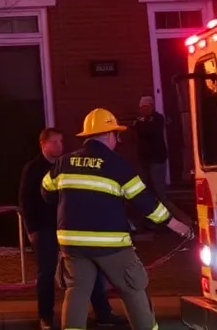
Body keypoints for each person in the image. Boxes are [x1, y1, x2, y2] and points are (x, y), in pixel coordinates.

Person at [42, 109, 193, 330]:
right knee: (133, 288)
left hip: (72, 244)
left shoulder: (64, 162)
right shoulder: (117, 166)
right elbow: (145, 203)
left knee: (76, 292)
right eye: (116, 135)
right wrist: (177, 226)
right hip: (111, 245)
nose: (117, 140)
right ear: (110, 135)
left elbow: (46, 191)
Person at [19, 127, 124, 330]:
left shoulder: (66, 164)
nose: (60, 145)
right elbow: (26, 201)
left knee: (89, 268)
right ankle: (46, 316)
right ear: (43, 144)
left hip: (70, 227)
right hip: (45, 228)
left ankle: (102, 311)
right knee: (46, 272)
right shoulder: (33, 168)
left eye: (61, 141)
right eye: (55, 142)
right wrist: (31, 229)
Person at [133, 96, 169, 204]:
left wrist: (142, 124)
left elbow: (151, 131)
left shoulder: (158, 118)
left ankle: (165, 211)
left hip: (157, 158)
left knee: (159, 188)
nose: (143, 110)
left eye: (145, 107)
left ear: (151, 106)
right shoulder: (139, 120)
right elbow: (135, 131)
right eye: (141, 108)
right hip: (144, 159)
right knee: (146, 187)